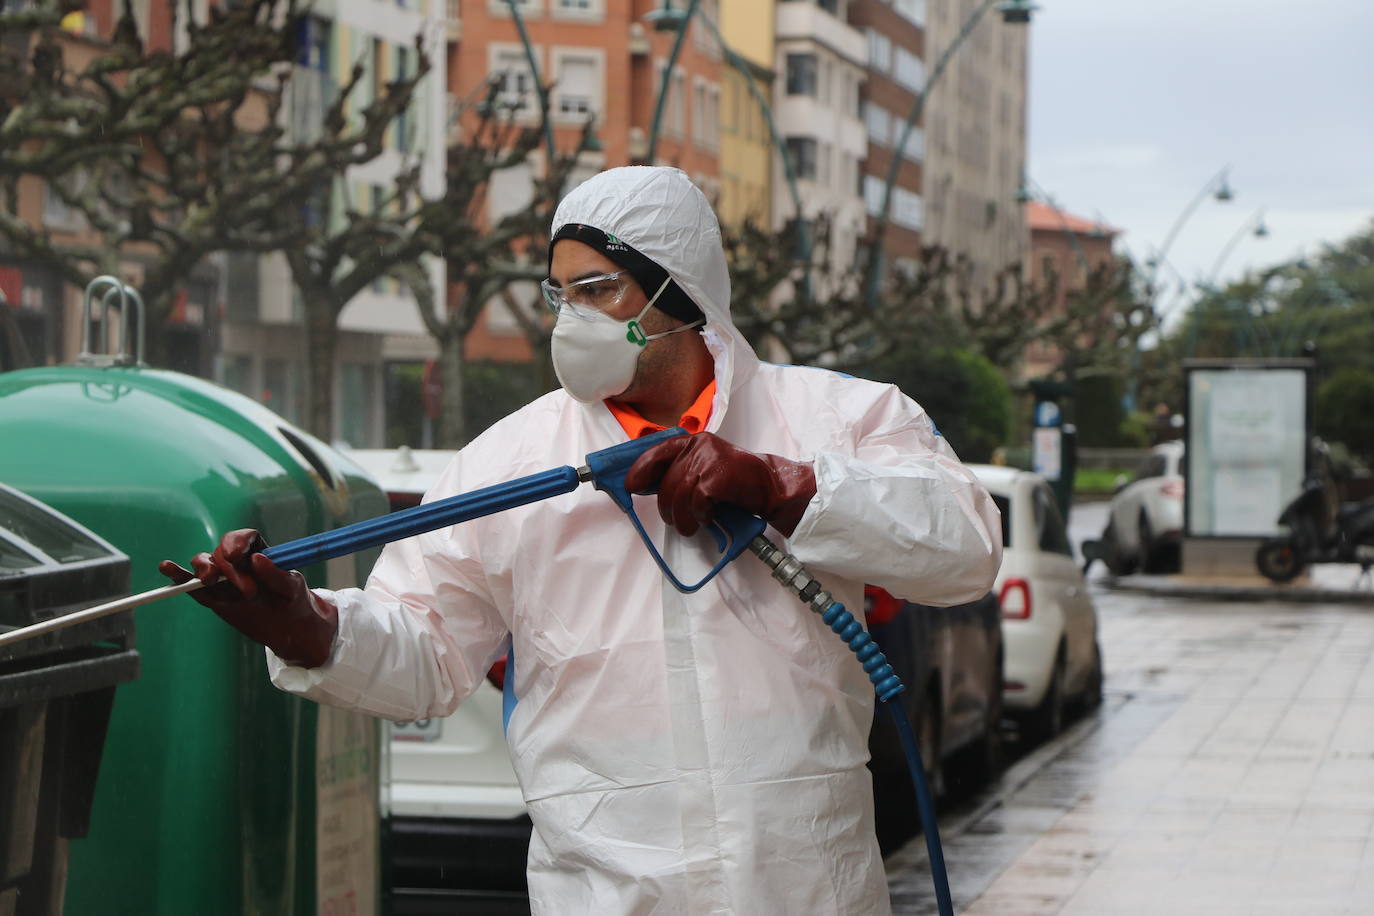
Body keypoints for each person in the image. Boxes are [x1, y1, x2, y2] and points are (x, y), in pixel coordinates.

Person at [162, 166, 1002, 915]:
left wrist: (781, 486)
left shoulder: (837, 417)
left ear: (679, 292)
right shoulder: (509, 462)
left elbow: (964, 548)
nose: (571, 316)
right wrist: (308, 627)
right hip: (602, 892)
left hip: (804, 889)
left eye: (597, 288)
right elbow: (425, 654)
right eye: (558, 293)